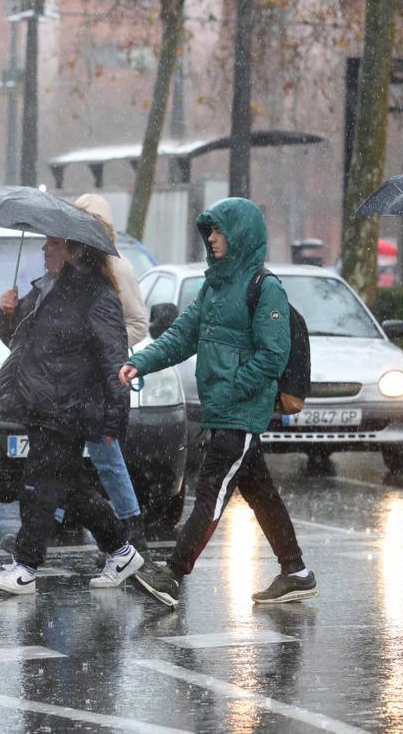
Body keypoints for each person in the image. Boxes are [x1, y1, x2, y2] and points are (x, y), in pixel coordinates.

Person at [120, 198, 317, 608]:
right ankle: (296, 571)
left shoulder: (266, 289)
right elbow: (180, 336)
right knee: (261, 492)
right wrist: (140, 362)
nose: (211, 238)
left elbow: (272, 356)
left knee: (210, 491)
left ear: (240, 235)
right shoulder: (214, 286)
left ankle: (173, 574)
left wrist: (231, 392)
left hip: (239, 414)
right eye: (208, 231)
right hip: (223, 411)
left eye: (218, 231)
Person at [0, 232, 145, 595]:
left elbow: (114, 359)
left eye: (52, 244)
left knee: (39, 483)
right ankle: (121, 549)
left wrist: (115, 419)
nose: (44, 250)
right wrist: (6, 313)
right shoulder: (46, 289)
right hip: (42, 402)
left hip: (71, 405)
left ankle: (25, 566)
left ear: (74, 250)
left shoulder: (98, 296)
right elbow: (18, 341)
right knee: (67, 486)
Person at [72, 194, 150, 553]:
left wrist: (108, 347)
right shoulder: (73, 269)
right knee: (64, 453)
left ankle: (131, 525)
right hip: (75, 377)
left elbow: (137, 323)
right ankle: (54, 521)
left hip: (102, 378)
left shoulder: (119, 269)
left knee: (106, 454)